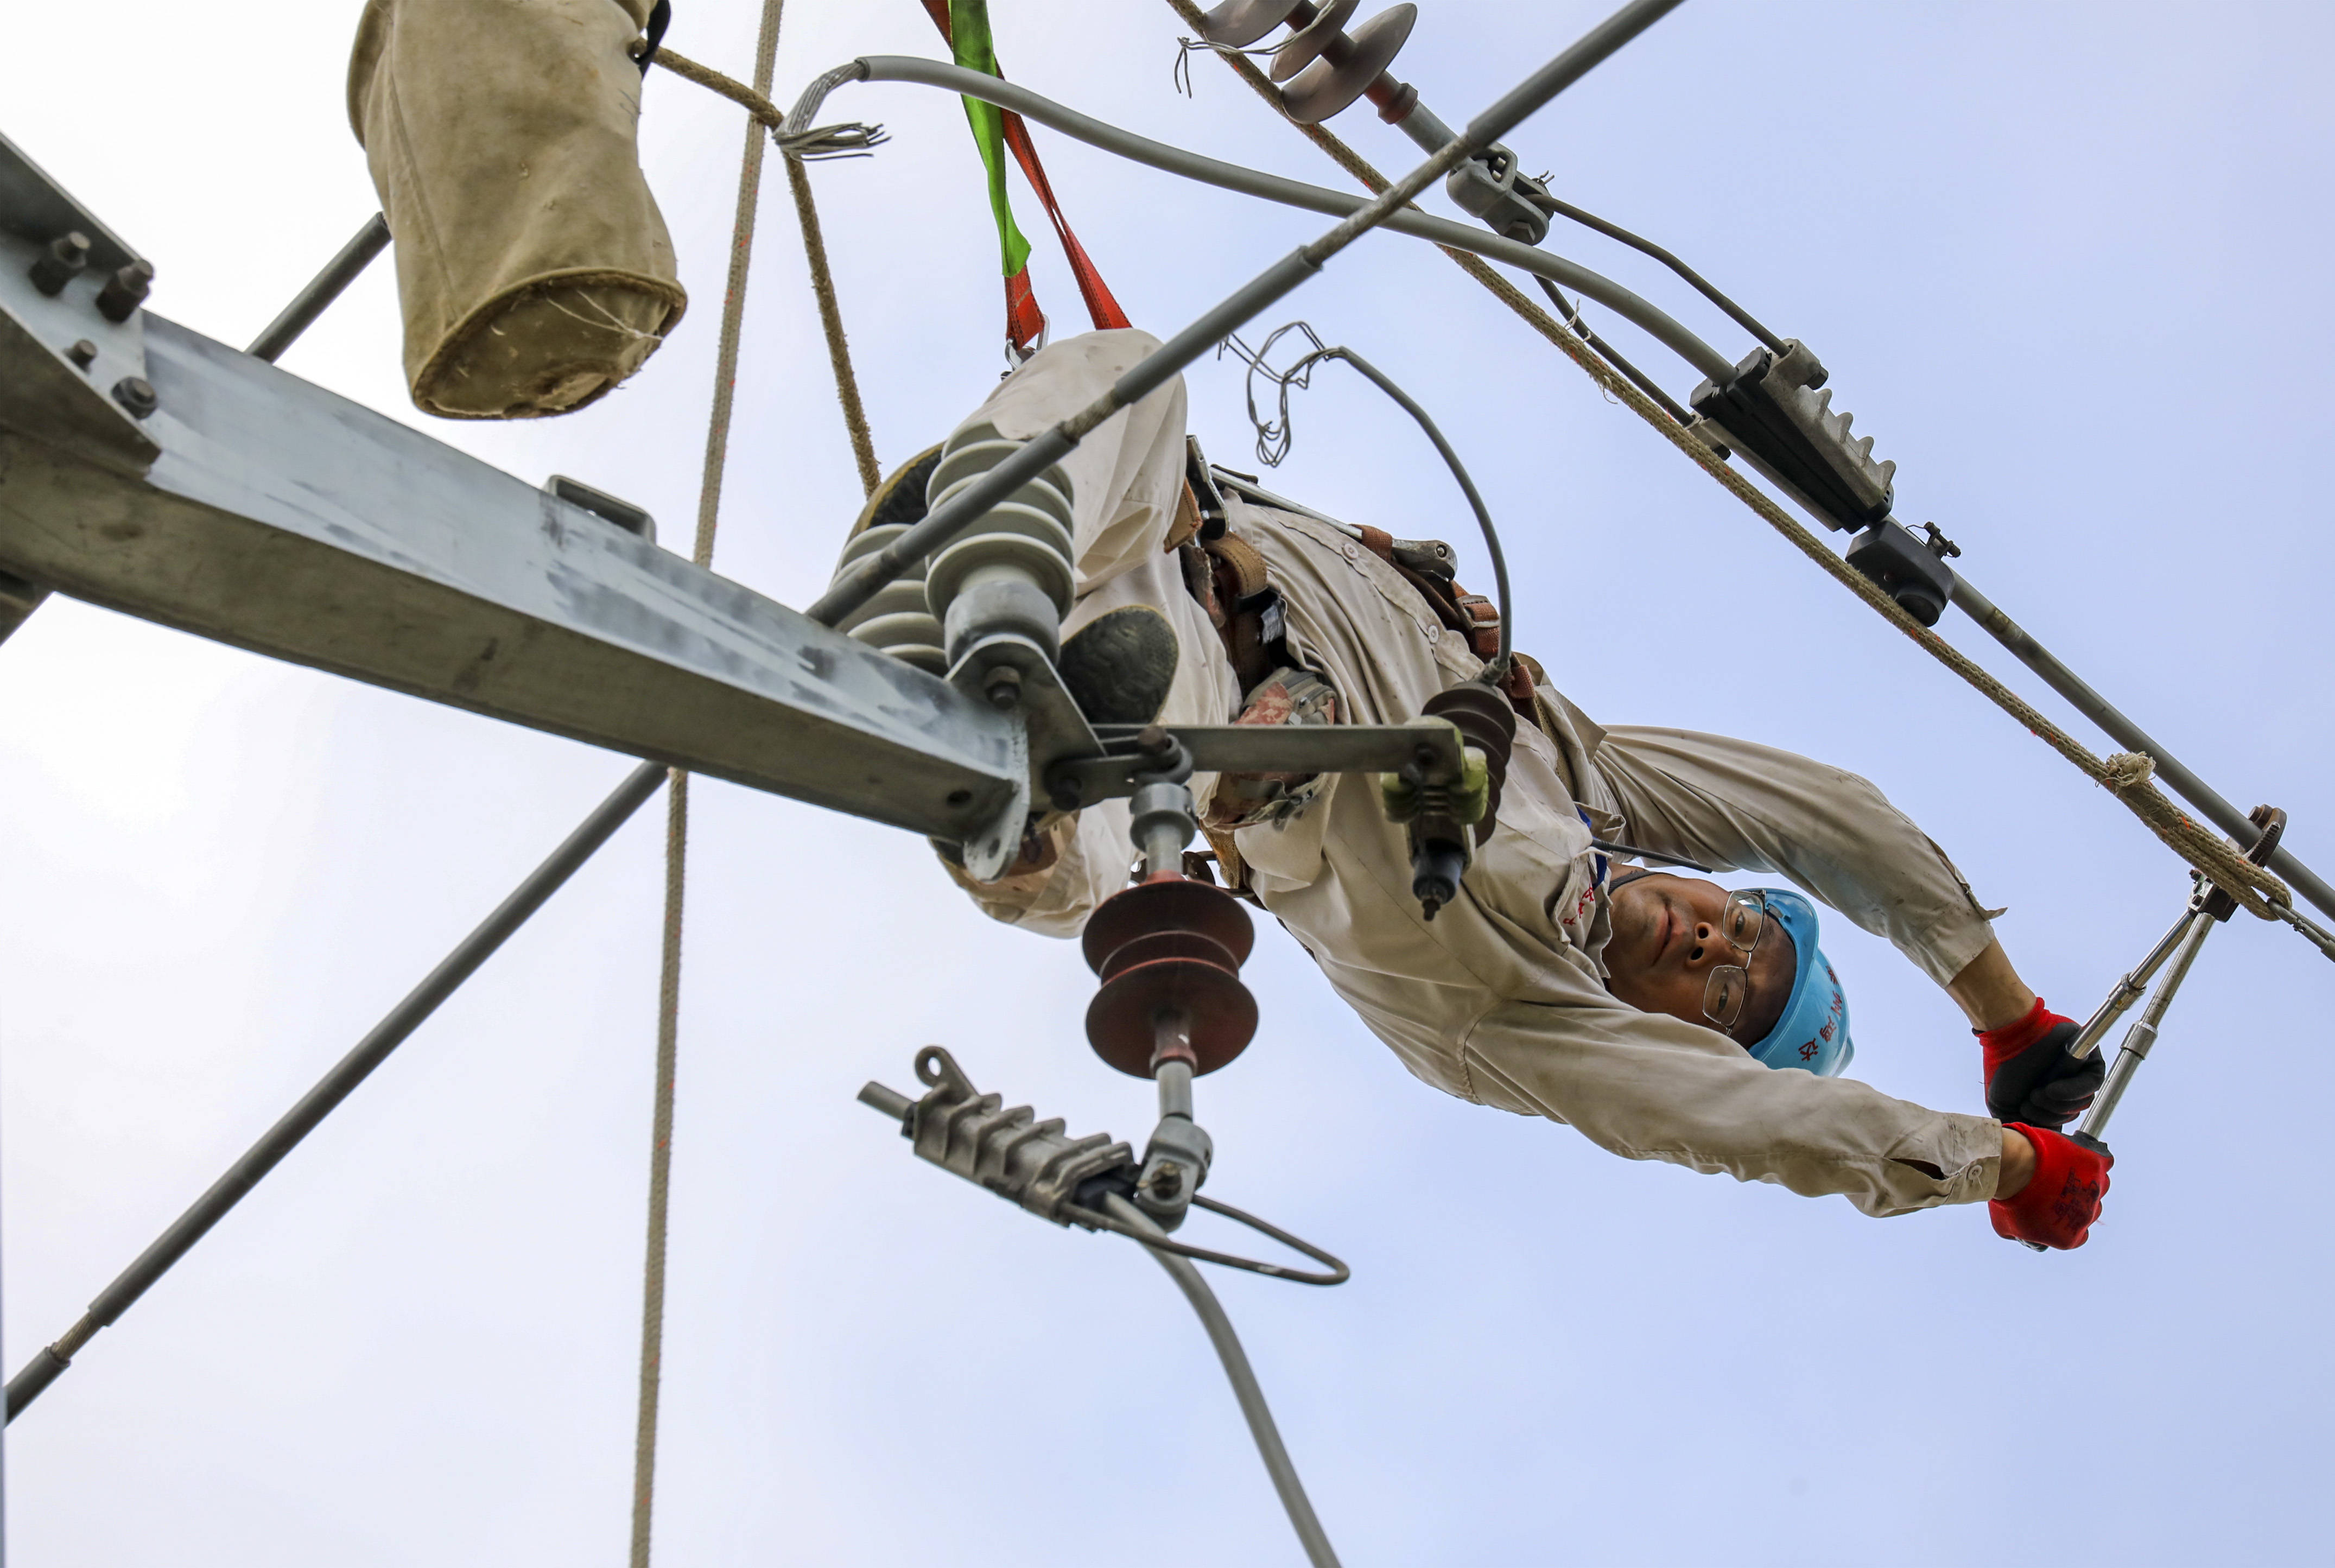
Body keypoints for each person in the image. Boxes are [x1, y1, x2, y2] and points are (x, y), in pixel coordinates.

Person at [842, 329, 2112, 1250]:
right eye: (1748, 926)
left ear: (1680, 1033)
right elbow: (1826, 814)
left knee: (1104, 819)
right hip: (1137, 539)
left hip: (1176, 720)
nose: (1714, 938)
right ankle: (961, 584)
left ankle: (996, 782)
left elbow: (1760, 1126)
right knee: (1129, 370)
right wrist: (2009, 1015)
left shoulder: (1518, 1024)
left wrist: (1992, 1159)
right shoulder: (1577, 777)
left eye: (1725, 991)